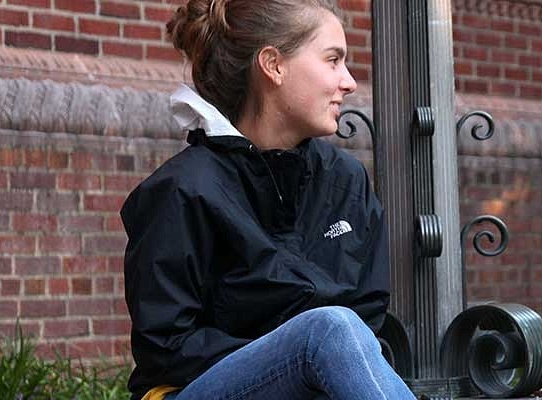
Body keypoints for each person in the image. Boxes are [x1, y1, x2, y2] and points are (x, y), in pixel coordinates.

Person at [120, 0, 411, 399]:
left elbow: (369, 314)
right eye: (332, 60)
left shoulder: (346, 181)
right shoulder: (183, 190)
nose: (349, 82)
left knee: (333, 332)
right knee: (328, 330)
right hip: (191, 390)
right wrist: (291, 357)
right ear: (273, 65)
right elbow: (166, 349)